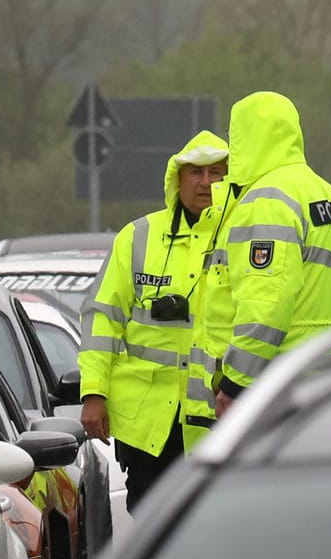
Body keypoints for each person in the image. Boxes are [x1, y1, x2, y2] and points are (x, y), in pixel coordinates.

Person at [185, 91, 331, 438]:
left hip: (268, 387)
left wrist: (234, 384)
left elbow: (266, 305)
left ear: (246, 136)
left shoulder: (266, 199)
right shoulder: (326, 194)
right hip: (318, 375)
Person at [79, 130, 228, 508]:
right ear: (177, 179)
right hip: (148, 426)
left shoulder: (242, 237)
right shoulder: (138, 237)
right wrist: (94, 393)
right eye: (195, 172)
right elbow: (102, 317)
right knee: (151, 530)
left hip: (219, 417)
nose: (206, 182)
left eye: (217, 172)